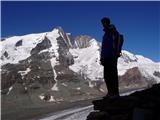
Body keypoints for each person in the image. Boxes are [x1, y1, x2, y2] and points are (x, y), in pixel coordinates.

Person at [100, 17, 121, 98]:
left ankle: (115, 93)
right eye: (102, 23)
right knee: (107, 76)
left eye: (104, 22)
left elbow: (117, 42)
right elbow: (104, 47)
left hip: (112, 57)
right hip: (106, 58)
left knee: (112, 75)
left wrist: (116, 54)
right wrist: (102, 58)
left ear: (107, 23)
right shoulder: (105, 34)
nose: (103, 24)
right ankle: (110, 93)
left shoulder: (113, 32)